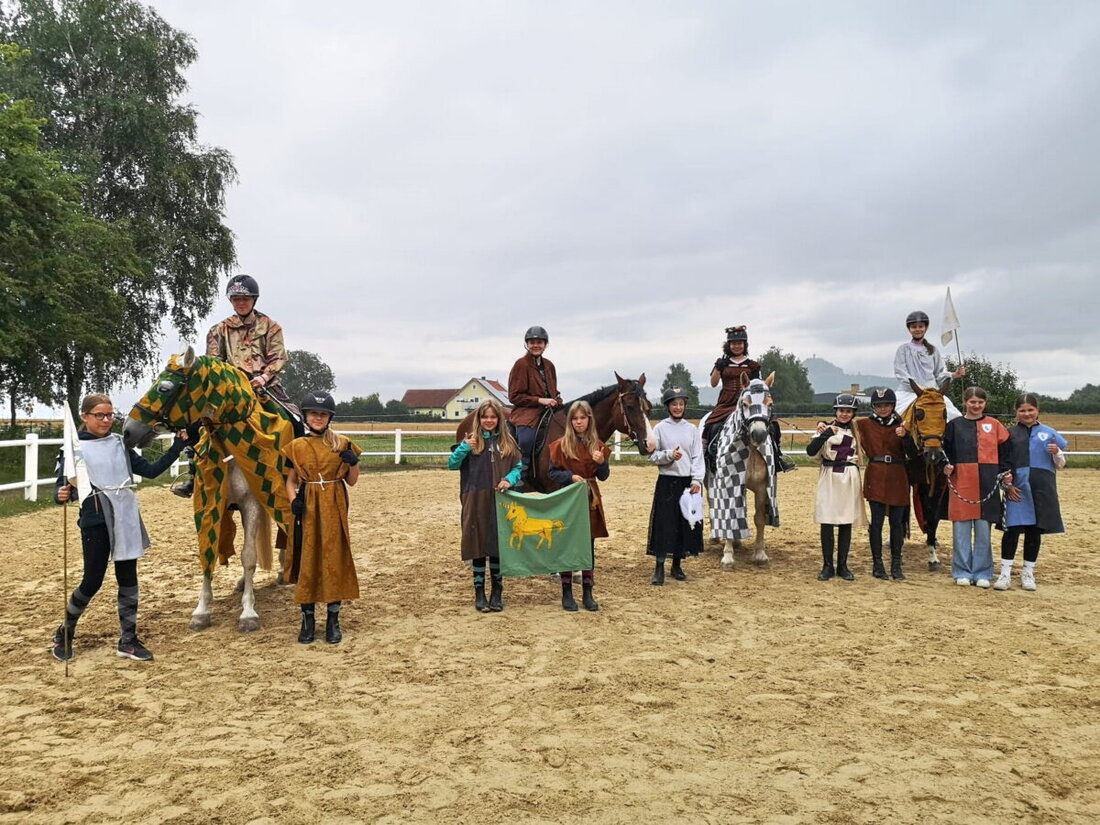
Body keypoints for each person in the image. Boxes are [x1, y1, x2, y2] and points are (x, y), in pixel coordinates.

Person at [51, 394, 189, 661]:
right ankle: (65, 632)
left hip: (125, 515)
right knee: (92, 581)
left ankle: (128, 639)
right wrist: (61, 494)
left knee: (128, 578)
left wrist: (177, 447)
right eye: (99, 415)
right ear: (85, 417)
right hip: (96, 518)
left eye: (109, 415)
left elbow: (150, 471)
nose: (106, 420)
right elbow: (61, 488)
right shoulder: (73, 449)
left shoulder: (119, 443)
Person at [176, 274, 293, 498]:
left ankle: (294, 475)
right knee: (194, 421)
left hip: (265, 385)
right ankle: (193, 474)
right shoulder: (218, 330)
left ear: (254, 300)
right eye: (236, 298)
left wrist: (264, 377)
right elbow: (214, 362)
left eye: (245, 298)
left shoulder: (271, 327)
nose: (241, 302)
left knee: (292, 420)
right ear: (231, 301)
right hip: (230, 389)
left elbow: (279, 357)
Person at [283, 391, 361, 644]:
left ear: (330, 418)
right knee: (308, 557)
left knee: (333, 557)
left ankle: (333, 619)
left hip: (333, 504)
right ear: (306, 416)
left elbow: (352, 481)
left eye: (323, 414)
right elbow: (291, 481)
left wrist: (353, 463)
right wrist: (294, 500)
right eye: (314, 414)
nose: (318, 418)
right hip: (307, 504)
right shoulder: (297, 446)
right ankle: (307, 619)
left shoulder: (342, 443)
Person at [448, 399, 522, 612]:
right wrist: (464, 448)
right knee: (477, 544)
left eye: (493, 417)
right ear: (479, 419)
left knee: (497, 544)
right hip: (475, 499)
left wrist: (509, 479)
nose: (489, 420)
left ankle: (497, 591)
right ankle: (479, 592)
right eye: (485, 417)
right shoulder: (471, 441)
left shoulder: (507, 443)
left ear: (499, 419)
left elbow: (518, 467)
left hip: (499, 499)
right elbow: (452, 464)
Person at [996, 393, 1068, 592]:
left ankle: (1028, 573)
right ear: (1016, 412)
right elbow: (1002, 461)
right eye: (1022, 410)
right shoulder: (1008, 434)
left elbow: (1061, 464)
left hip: (1042, 489)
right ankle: (1005, 573)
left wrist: (1057, 453)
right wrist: (1007, 484)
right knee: (1012, 530)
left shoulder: (1050, 433)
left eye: (1030, 410)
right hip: (1017, 489)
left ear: (1037, 411)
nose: (1027, 414)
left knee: (1034, 531)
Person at [943, 386, 1011, 589]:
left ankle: (982, 572)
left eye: (980, 402)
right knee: (961, 532)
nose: (976, 405)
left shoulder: (995, 425)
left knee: (983, 532)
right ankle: (962, 571)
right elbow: (945, 452)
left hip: (987, 484)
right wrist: (945, 466)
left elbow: (1006, 451)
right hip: (961, 482)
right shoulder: (953, 426)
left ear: (985, 404)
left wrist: (1005, 472)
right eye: (972, 402)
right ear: (965, 402)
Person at [548, 400, 610, 612]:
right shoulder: (560, 445)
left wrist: (601, 463)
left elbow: (604, 476)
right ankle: (566, 592)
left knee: (588, 545)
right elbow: (552, 472)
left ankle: (587, 592)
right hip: (568, 498)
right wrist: (570, 476)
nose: (579, 422)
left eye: (582, 418)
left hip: (589, 499)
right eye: (575, 418)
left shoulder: (598, 446)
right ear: (570, 421)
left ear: (589, 419)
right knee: (567, 544)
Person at [705, 326, 794, 472]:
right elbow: (713, 383)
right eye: (734, 343)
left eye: (740, 343)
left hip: (749, 402)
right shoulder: (723, 363)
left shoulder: (752, 365)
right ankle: (708, 456)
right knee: (711, 425)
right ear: (728, 345)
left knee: (773, 425)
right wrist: (717, 367)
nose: (737, 346)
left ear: (745, 345)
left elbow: (758, 386)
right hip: (727, 402)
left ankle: (777, 456)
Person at [855, 388, 917, 581]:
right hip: (876, 473)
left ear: (893, 406)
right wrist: (822, 424)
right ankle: (878, 564)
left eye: (887, 405)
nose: (883, 409)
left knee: (897, 523)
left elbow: (913, 453)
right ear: (873, 407)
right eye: (879, 405)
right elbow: (842, 422)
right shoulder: (864, 424)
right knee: (877, 522)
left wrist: (905, 437)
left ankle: (896, 564)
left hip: (898, 474)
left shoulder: (903, 425)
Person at [646, 387, 704, 585]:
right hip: (667, 482)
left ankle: (677, 565)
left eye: (681, 404)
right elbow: (653, 456)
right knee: (664, 525)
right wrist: (669, 455)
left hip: (687, 483)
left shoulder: (692, 430)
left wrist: (696, 480)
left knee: (683, 524)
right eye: (674, 404)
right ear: (668, 406)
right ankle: (659, 567)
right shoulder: (660, 428)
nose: (678, 407)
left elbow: (697, 456)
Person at [807, 394, 867, 581]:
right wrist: (825, 432)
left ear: (853, 413)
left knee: (845, 521)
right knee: (827, 520)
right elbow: (811, 451)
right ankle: (827, 566)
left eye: (848, 411)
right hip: (829, 476)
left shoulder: (857, 431)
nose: (844, 414)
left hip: (849, 477)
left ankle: (842, 565)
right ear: (836, 411)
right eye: (841, 410)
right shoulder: (826, 429)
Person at [507, 325, 562, 488]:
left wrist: (557, 400)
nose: (536, 345)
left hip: (549, 411)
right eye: (532, 342)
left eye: (539, 342)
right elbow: (514, 396)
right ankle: (520, 476)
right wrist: (540, 400)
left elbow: (554, 390)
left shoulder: (549, 365)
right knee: (526, 440)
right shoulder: (521, 364)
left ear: (546, 344)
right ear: (527, 344)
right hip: (526, 412)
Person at [893, 310, 966, 419]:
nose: (917, 329)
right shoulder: (903, 350)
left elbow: (939, 374)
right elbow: (901, 372)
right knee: (893, 417)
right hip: (909, 393)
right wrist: (918, 387)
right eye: (914, 327)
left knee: (956, 417)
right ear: (909, 329)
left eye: (920, 326)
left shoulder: (933, 350)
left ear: (926, 328)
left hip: (932, 394)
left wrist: (954, 375)